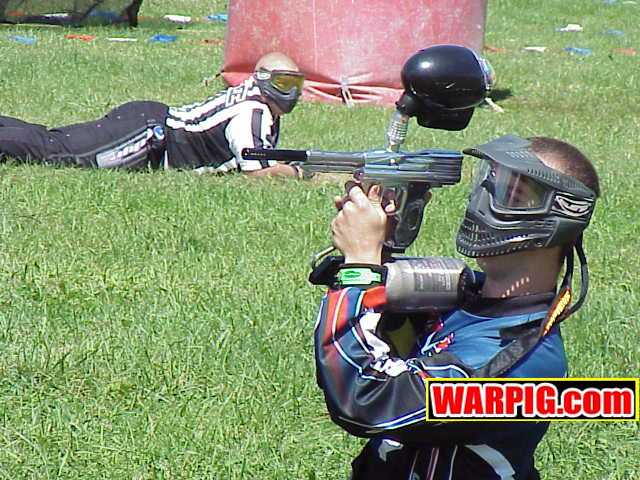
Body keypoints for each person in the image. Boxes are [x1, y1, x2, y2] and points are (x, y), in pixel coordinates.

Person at [314, 134, 600, 479]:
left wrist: (361, 263)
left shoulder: (520, 362)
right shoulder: (464, 294)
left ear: (558, 217)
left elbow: (367, 399)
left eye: (511, 194)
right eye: (487, 183)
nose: (482, 201)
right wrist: (384, 243)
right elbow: (384, 337)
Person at [0, 52, 305, 178]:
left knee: (54, 141)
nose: (291, 92)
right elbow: (257, 173)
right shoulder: (253, 110)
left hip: (148, 123)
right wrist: (304, 175)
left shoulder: (254, 103)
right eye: (283, 83)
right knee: (58, 152)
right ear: (262, 79)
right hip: (147, 137)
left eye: (296, 84)